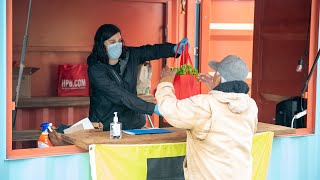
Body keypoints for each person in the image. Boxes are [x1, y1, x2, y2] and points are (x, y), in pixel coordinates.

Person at [155, 55, 258, 180]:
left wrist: (166, 81)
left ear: (219, 77)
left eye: (215, 74)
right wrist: (216, 88)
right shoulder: (251, 106)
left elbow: (169, 109)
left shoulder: (205, 105)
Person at [87, 24, 188, 131]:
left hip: (132, 123)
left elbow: (152, 51)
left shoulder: (129, 55)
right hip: (106, 125)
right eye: (112, 42)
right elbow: (120, 95)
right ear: (101, 44)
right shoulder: (96, 69)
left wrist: (173, 49)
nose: (117, 45)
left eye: (119, 41)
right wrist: (153, 108)